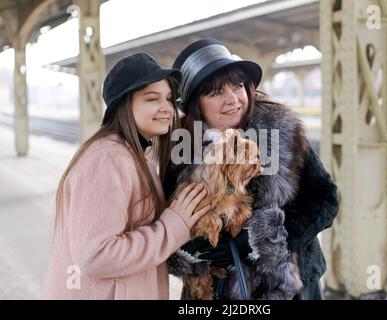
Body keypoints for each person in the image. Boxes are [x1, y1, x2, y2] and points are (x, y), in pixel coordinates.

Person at [164, 38, 339, 300]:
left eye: (237, 86)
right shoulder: (178, 148)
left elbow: (325, 199)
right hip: (215, 292)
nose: (232, 99)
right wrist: (192, 248)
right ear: (194, 104)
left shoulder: (281, 131)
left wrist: (260, 241)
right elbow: (163, 216)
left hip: (290, 287)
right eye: (215, 93)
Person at [43, 52, 210, 300]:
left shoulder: (131, 154)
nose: (166, 108)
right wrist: (173, 227)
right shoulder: (107, 159)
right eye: (152, 99)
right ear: (124, 104)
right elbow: (96, 256)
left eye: (168, 98)